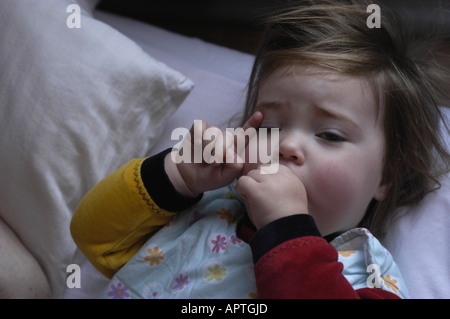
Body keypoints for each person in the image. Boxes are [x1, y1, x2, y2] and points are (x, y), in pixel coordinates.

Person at [70, 0, 449, 299]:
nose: (286, 145)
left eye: (330, 135)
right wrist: (176, 175)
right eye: (269, 127)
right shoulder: (204, 208)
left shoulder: (366, 270)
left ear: (386, 176)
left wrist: (287, 231)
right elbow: (92, 237)